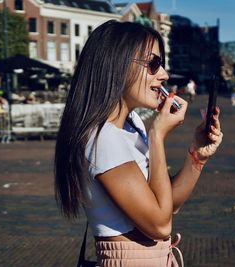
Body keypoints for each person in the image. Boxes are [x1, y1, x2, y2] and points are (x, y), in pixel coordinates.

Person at [54, 20, 223, 266]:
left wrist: (197, 155)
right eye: (153, 64)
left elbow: (167, 205)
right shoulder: (102, 138)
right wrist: (157, 136)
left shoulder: (132, 125)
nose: (164, 74)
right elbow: (160, 225)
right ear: (117, 65)